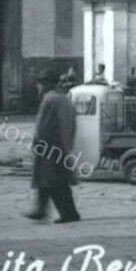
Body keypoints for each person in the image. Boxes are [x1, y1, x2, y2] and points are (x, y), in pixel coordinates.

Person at [26, 72, 81, 223]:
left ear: (44, 85)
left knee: (53, 180)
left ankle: (69, 214)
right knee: (48, 179)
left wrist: (37, 143)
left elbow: (45, 125)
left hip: (50, 146)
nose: (38, 87)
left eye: (39, 84)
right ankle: (41, 210)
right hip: (62, 145)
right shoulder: (64, 99)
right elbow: (73, 125)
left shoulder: (49, 100)